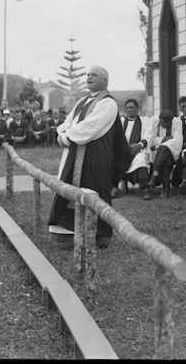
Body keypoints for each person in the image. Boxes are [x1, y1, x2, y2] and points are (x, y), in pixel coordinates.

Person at [47, 66, 131, 248]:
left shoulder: (108, 103)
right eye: (87, 75)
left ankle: (99, 236)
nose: (89, 77)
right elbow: (68, 121)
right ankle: (70, 234)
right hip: (77, 152)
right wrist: (64, 131)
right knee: (71, 189)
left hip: (96, 156)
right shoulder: (83, 101)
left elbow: (92, 126)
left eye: (94, 75)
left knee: (95, 190)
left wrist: (66, 137)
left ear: (105, 81)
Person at [116, 98, 154, 195]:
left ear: (137, 109)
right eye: (127, 108)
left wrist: (139, 145)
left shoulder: (145, 121)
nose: (129, 110)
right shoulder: (120, 121)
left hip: (140, 150)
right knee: (117, 159)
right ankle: (120, 186)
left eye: (132, 107)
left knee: (141, 159)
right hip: (124, 150)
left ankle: (145, 188)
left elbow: (150, 136)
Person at [146, 109, 183, 200]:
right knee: (165, 160)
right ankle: (166, 190)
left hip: (171, 151)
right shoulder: (154, 122)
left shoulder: (177, 122)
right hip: (155, 152)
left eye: (167, 124)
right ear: (159, 118)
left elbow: (177, 141)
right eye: (163, 123)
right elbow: (150, 139)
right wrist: (164, 138)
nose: (165, 126)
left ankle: (154, 177)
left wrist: (161, 143)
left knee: (164, 151)